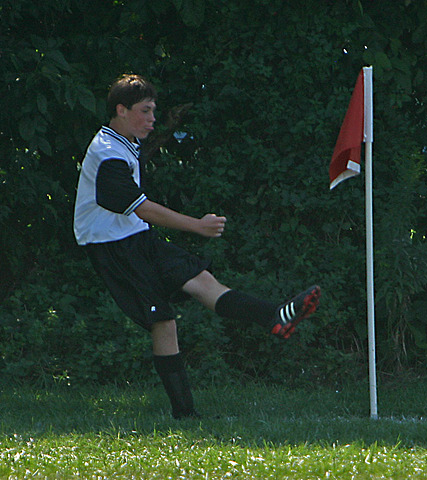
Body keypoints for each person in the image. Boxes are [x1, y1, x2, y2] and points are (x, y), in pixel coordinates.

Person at [73, 74, 321, 419]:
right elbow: (141, 207)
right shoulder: (108, 153)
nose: (152, 119)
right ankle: (185, 415)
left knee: (203, 281)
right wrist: (197, 226)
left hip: (135, 236)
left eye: (153, 111)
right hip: (112, 246)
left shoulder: (124, 140)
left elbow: (138, 213)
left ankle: (274, 317)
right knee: (164, 322)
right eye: (145, 111)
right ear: (121, 109)